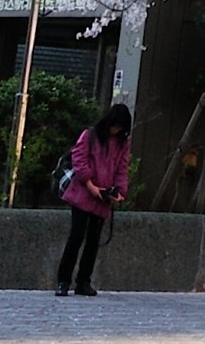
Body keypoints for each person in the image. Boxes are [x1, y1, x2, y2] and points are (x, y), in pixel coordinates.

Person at [55, 102, 133, 298]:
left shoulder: (123, 143)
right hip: (83, 194)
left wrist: (119, 192)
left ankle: (83, 281)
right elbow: (79, 160)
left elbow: (122, 169)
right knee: (76, 238)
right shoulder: (90, 135)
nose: (116, 130)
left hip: (102, 198)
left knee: (93, 241)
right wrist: (90, 185)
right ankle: (63, 281)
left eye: (120, 128)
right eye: (115, 126)